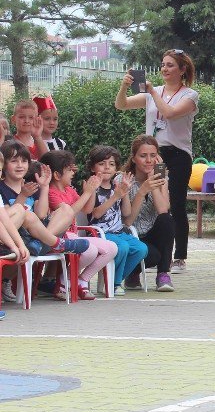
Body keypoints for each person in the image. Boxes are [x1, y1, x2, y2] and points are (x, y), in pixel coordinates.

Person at [116, 50, 199, 273]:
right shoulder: (154, 92)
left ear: (182, 70)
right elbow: (121, 105)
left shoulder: (190, 95)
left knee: (176, 203)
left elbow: (170, 113)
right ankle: (153, 248)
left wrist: (152, 91)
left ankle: (179, 256)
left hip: (178, 155)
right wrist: (124, 86)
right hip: (155, 154)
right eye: (163, 64)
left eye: (170, 65)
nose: (164, 69)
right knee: (154, 200)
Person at [40, 150, 117, 300]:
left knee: (111, 248)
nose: (73, 173)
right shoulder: (50, 192)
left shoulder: (69, 190)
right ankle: (63, 283)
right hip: (60, 236)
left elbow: (86, 209)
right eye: (69, 170)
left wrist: (93, 189)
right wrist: (87, 193)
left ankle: (81, 281)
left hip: (73, 236)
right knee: (89, 251)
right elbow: (69, 213)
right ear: (56, 175)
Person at [82, 146, 148, 296]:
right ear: (93, 167)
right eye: (102, 164)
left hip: (118, 232)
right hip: (100, 234)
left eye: (111, 164)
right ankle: (115, 284)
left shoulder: (115, 187)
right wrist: (115, 196)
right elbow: (96, 214)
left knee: (141, 249)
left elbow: (127, 213)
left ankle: (113, 279)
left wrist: (123, 193)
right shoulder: (93, 187)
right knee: (123, 247)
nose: (107, 168)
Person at [123, 135, 175, 292]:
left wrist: (156, 183)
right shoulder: (124, 179)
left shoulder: (162, 178)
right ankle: (133, 272)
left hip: (153, 235)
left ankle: (163, 275)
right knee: (153, 256)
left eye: (153, 155)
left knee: (167, 220)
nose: (148, 160)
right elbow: (128, 221)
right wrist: (142, 190)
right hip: (132, 236)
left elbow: (163, 211)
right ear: (133, 158)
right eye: (143, 156)